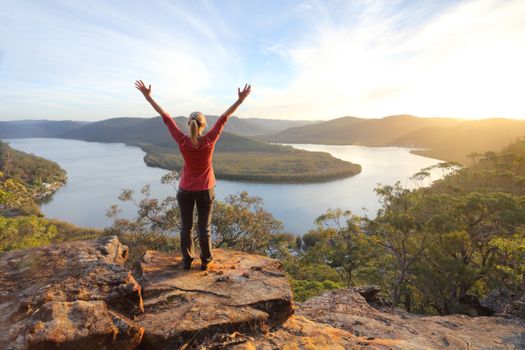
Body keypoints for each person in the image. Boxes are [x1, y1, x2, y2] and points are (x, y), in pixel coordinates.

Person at [135, 80, 251, 270]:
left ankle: (187, 261)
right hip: (206, 190)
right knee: (204, 228)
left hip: (185, 190)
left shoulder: (182, 140)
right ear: (204, 125)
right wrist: (240, 100)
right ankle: (206, 261)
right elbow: (225, 117)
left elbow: (165, 117)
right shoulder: (209, 140)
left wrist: (148, 97)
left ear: (189, 124)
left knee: (186, 227)